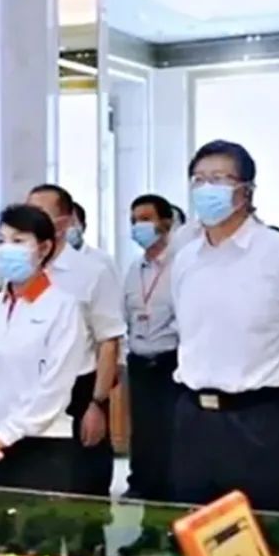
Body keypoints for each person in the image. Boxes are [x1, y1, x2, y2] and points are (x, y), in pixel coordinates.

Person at [170, 140, 279, 513]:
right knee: (196, 532)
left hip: (260, 418)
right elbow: (186, 333)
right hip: (194, 417)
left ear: (246, 191)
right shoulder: (186, 258)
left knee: (267, 532)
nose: (207, 189)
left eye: (219, 179)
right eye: (199, 180)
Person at [0, 204, 86, 491]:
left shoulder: (63, 307)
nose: (7, 249)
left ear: (44, 248)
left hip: (42, 443)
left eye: (18, 241)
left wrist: (7, 434)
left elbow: (55, 386)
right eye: (2, 241)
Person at [28, 184, 125, 496]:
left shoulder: (92, 272)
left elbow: (108, 341)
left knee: (81, 483)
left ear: (65, 221)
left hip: (78, 390)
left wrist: (97, 403)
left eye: (41, 213)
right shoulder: (24, 270)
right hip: (31, 390)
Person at [122, 194, 179, 501]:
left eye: (145, 219)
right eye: (134, 221)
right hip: (140, 361)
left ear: (166, 223)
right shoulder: (134, 269)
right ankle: (141, 487)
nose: (138, 226)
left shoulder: (180, 265)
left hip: (171, 360)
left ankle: (171, 496)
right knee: (143, 433)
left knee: (171, 435)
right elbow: (125, 314)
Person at [69, 201, 117, 277]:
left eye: (72, 223)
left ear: (83, 226)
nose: (65, 229)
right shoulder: (50, 262)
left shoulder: (103, 261)